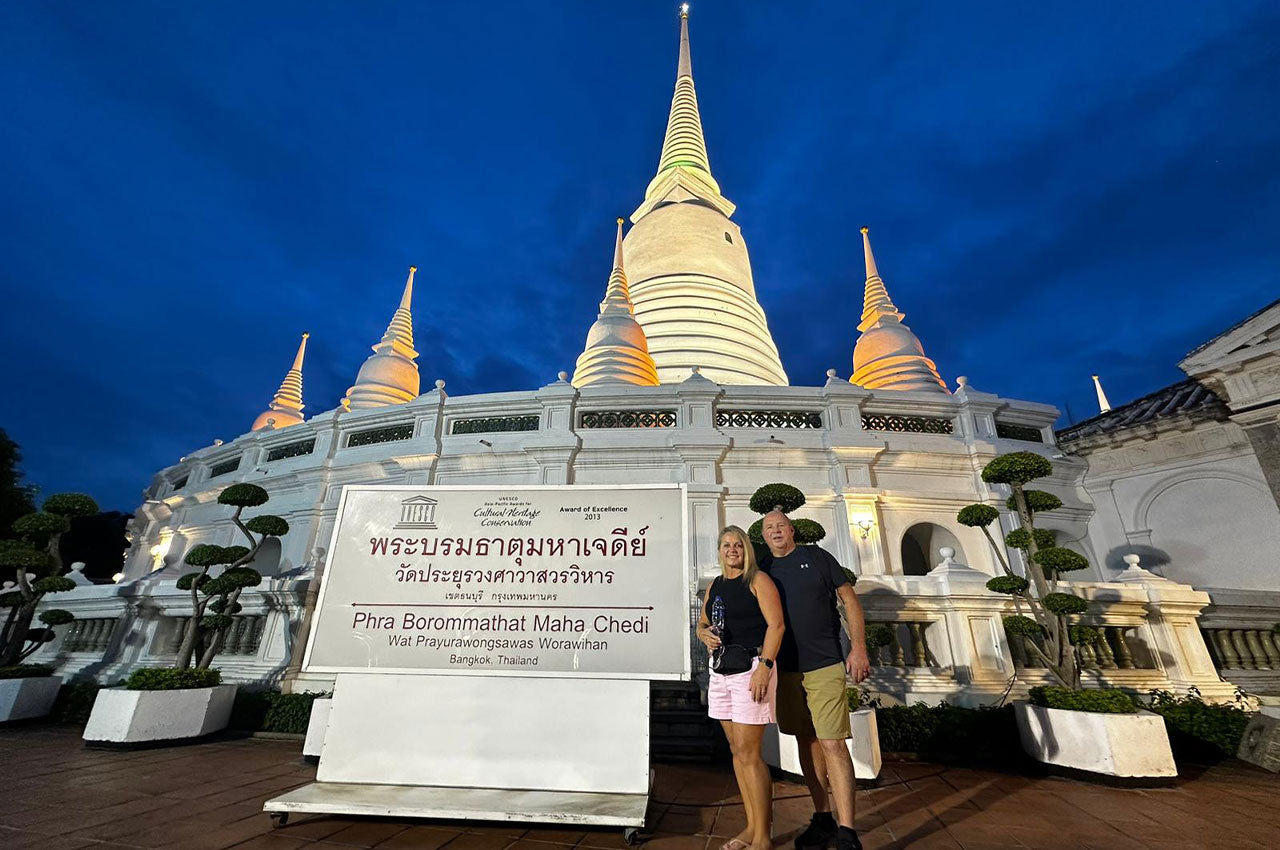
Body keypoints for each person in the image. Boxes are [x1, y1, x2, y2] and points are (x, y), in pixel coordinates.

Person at [759, 510, 870, 850]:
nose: (776, 531)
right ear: (763, 536)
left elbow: (849, 600)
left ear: (792, 530)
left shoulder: (818, 557)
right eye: (769, 528)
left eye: (780, 525)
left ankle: (847, 830)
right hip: (787, 668)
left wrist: (858, 649)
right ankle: (823, 818)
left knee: (832, 742)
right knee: (805, 740)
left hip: (824, 663)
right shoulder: (763, 568)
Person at [696, 526, 786, 850]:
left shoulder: (758, 581)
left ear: (745, 549)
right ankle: (751, 827)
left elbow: (777, 626)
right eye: (726, 545)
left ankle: (763, 837)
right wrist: (703, 633)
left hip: (751, 669)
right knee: (737, 751)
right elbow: (703, 622)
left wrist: (765, 668)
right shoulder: (715, 585)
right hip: (721, 671)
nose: (732, 550)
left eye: (738, 545)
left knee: (750, 753)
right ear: (719, 551)